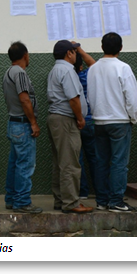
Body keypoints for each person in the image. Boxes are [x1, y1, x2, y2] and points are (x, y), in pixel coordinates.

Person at [87, 32, 137, 213]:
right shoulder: (123, 68)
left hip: (99, 121)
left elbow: (90, 95)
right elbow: (131, 97)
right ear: (121, 48)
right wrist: (133, 117)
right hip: (119, 121)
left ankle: (102, 201)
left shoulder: (93, 68)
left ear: (102, 47)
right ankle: (116, 200)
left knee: (101, 161)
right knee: (119, 162)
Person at [46, 40, 93, 214]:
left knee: (60, 162)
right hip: (66, 119)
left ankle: (61, 200)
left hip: (56, 118)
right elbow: (73, 98)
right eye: (75, 52)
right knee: (70, 163)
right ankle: (71, 202)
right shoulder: (67, 70)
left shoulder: (55, 69)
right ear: (69, 53)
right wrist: (80, 118)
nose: (76, 55)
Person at [2, 42, 43, 214]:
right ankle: (22, 201)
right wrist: (33, 122)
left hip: (14, 123)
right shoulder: (19, 73)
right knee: (25, 165)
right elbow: (24, 99)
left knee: (15, 164)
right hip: (22, 124)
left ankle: (11, 199)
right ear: (25, 55)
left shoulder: (8, 73)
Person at [71, 43, 98, 200]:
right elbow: (93, 64)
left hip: (74, 122)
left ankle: (82, 192)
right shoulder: (87, 76)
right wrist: (79, 49)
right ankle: (100, 189)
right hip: (90, 121)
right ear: (81, 66)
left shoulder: (67, 77)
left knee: (77, 159)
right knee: (95, 157)